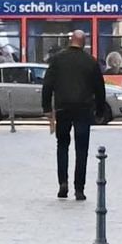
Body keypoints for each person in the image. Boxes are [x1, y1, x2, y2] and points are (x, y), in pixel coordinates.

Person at [41, 34, 108, 200]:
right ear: (84, 43)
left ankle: (62, 183)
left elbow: (47, 84)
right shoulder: (90, 61)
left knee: (62, 145)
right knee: (81, 150)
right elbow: (100, 89)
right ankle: (79, 189)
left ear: (70, 42)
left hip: (63, 109)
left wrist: (47, 108)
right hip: (83, 110)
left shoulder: (57, 60)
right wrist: (100, 111)